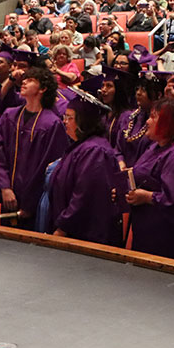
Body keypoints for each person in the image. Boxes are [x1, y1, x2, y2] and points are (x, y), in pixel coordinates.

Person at [125, 98, 174, 262]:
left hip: (170, 242)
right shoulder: (154, 147)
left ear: (166, 123)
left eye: (153, 117)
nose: (147, 121)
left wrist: (147, 197)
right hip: (147, 236)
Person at [0, 65, 68, 229]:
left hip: (35, 203)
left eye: (31, 80)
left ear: (43, 89)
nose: (24, 82)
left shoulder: (52, 124)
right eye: (24, 79)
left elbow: (49, 168)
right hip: (8, 198)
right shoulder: (9, 116)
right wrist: (4, 188)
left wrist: (29, 203)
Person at [47, 91, 126, 245]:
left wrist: (62, 227)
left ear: (84, 121)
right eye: (65, 117)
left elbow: (84, 195)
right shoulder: (80, 147)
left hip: (86, 236)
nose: (65, 122)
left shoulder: (94, 151)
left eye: (69, 118)